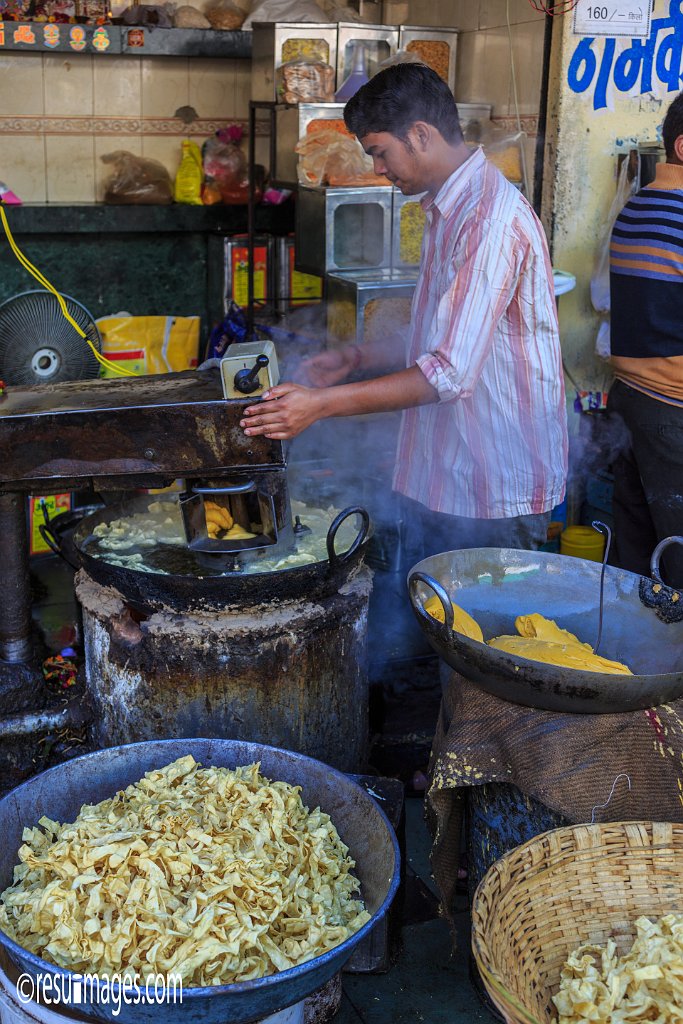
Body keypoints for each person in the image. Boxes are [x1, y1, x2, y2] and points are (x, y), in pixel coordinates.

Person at [241, 63, 567, 558]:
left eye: (379, 152)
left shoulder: (488, 222)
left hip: (491, 491)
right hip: (447, 475)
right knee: (426, 620)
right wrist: (357, 358)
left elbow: (449, 373)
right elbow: (441, 335)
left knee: (484, 633)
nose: (377, 168)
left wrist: (319, 404)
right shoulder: (446, 208)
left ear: (420, 134)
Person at [607, 90, 683, 587]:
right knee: (677, 567)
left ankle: (629, 660)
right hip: (672, 412)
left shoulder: (639, 207)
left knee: (638, 566)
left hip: (632, 402)